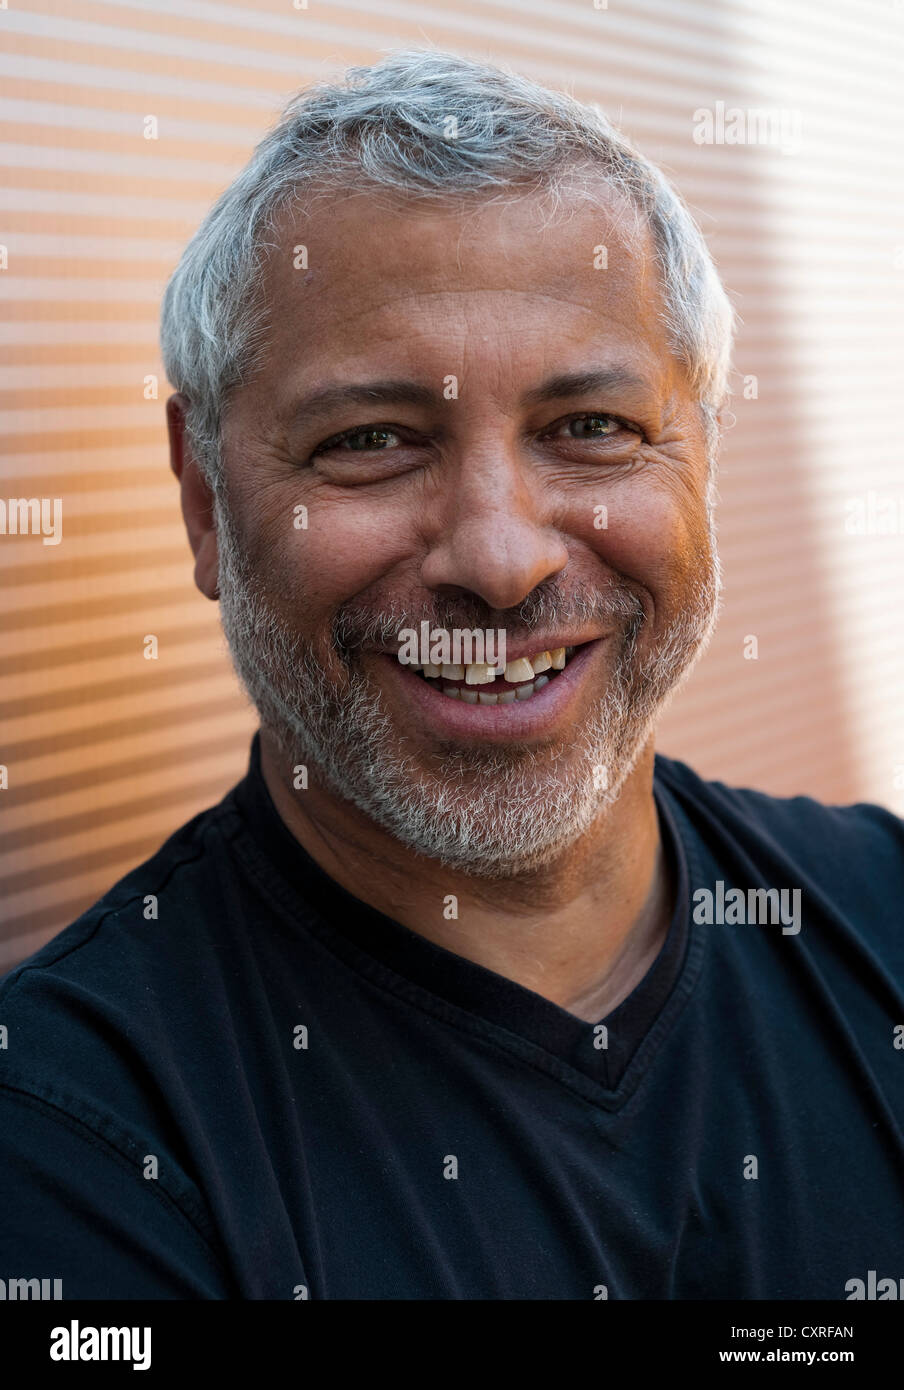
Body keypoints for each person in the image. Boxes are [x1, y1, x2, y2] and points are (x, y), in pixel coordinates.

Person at [1, 50, 902, 1301]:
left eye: (590, 428)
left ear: (702, 462)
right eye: (370, 441)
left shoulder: (885, 915)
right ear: (205, 500)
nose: (498, 557)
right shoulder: (70, 1140)